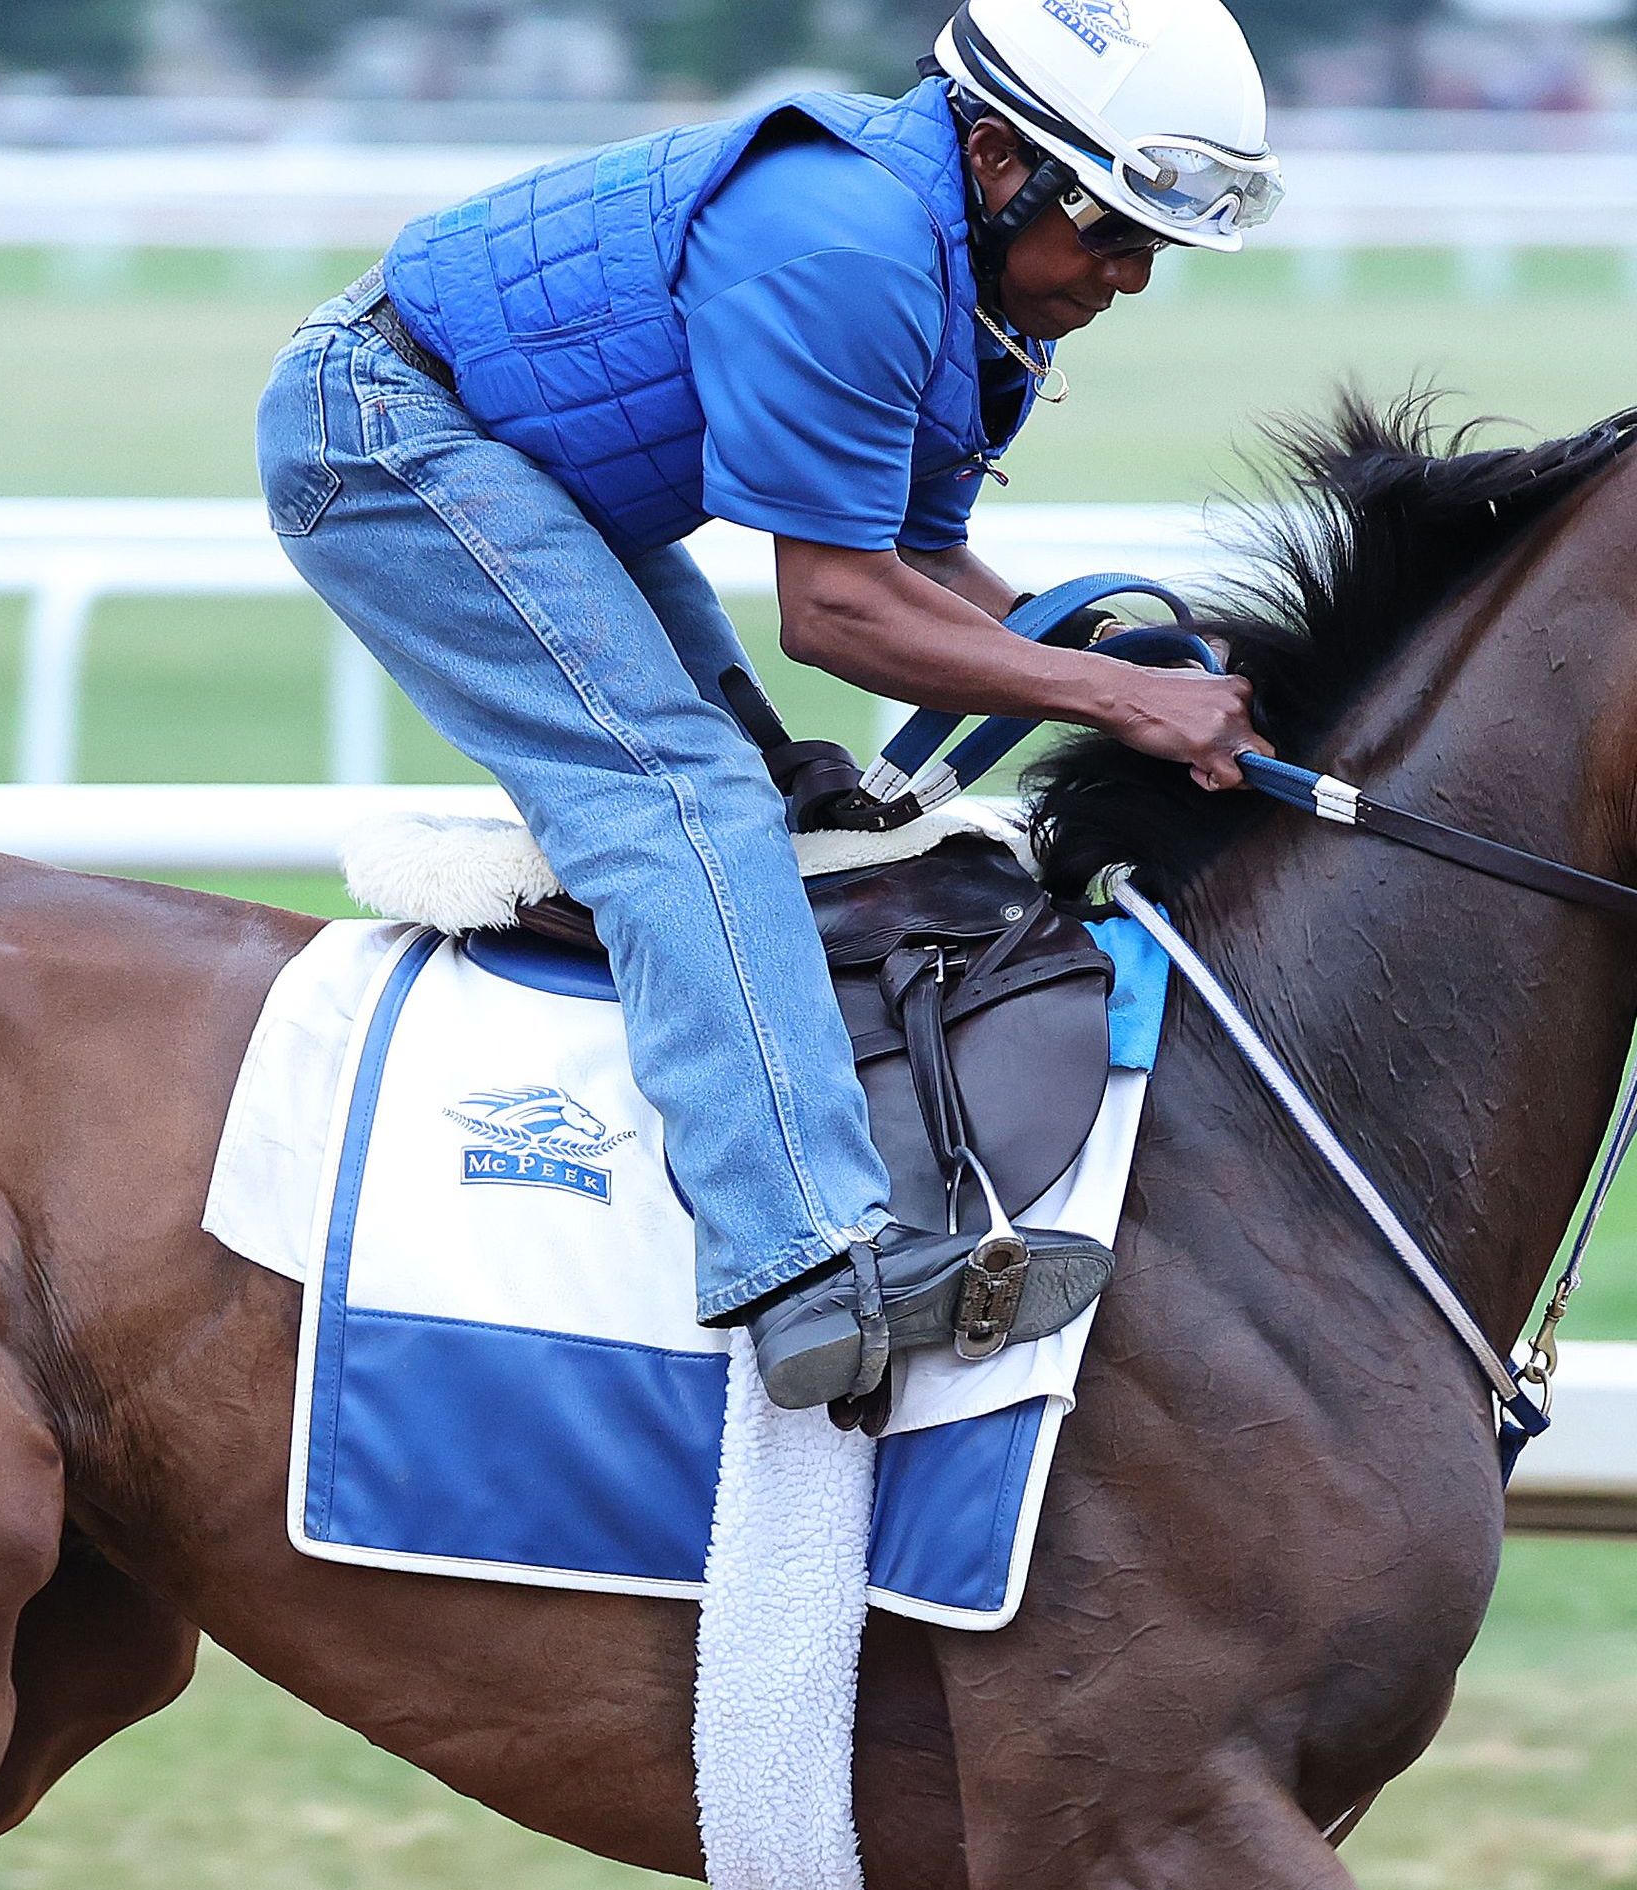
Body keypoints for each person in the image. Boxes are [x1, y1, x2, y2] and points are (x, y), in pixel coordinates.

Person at [261, 0, 1282, 1410]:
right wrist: (1113, 696)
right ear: (996, 159)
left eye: (1153, 246)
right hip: (385, 431)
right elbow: (836, 613)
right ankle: (796, 1258)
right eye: (1110, 232)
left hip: (537, 470)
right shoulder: (850, 242)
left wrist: (1129, 669)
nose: (1129, 276)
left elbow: (918, 562)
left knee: (780, 785)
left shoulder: (966, 280)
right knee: (681, 794)